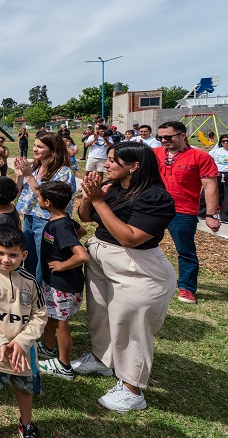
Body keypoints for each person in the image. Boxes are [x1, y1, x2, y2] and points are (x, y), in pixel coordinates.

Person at [75, 142, 176, 412]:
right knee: (99, 312)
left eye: (113, 161)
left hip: (136, 267)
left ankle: (132, 389)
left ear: (134, 166)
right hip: (100, 258)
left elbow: (129, 238)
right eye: (108, 159)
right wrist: (88, 197)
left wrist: (98, 199)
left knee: (129, 323)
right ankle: (101, 358)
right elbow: (85, 217)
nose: (106, 165)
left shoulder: (156, 197)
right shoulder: (114, 187)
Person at [0, 225, 46, 438]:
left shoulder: (31, 282)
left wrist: (22, 341)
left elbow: (40, 315)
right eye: (0, 253)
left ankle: (26, 424)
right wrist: (1, 341)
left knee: (24, 389)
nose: (6, 259)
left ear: (24, 255)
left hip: (24, 352)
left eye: (13, 255)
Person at [153, 121, 220, 303]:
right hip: (154, 208)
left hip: (183, 211)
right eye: (160, 138)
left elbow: (210, 186)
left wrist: (211, 215)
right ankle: (151, 279)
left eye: (168, 137)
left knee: (185, 251)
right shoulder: (155, 154)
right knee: (144, 245)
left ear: (183, 135)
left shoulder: (200, 157)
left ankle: (186, 287)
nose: (164, 141)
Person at [33, 181, 89, 381]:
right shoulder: (61, 219)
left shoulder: (62, 225)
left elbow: (82, 256)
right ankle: (48, 348)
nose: (36, 200)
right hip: (53, 282)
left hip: (62, 284)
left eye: (38, 198)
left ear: (47, 202)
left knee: (61, 323)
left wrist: (62, 265)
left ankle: (65, 366)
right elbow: (81, 230)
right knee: (52, 316)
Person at [14, 131, 76, 283]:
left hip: (47, 221)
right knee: (29, 259)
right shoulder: (35, 168)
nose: (35, 149)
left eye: (40, 147)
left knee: (43, 261)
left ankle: (42, 294)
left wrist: (29, 176)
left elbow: (48, 199)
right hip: (29, 218)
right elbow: (19, 194)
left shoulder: (63, 172)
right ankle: (31, 290)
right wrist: (20, 175)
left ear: (53, 150)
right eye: (35, 145)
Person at [208, 134, 228, 223]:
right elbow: (208, 160)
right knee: (216, 193)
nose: (226, 143)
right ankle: (204, 212)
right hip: (218, 174)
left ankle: (225, 215)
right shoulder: (216, 151)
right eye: (223, 141)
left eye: (227, 141)